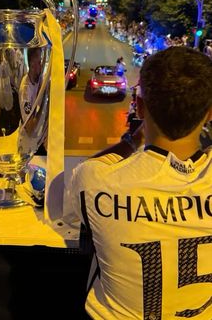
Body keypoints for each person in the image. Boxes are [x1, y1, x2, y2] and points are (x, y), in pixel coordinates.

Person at [66, 46, 212, 319]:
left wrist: (133, 140)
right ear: (209, 114)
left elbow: (91, 167)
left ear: (141, 108)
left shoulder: (96, 180)